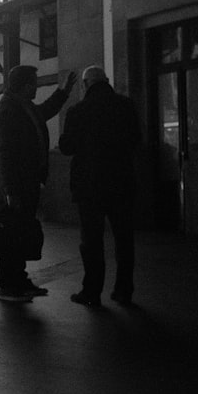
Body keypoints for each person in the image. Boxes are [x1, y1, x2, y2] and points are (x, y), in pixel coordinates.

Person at [0, 65, 77, 302]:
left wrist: (64, 91)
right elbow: (3, 153)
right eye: (34, 83)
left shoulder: (21, 106)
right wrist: (8, 189)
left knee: (18, 233)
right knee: (12, 234)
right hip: (16, 185)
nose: (37, 87)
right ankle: (9, 285)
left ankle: (17, 279)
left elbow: (45, 110)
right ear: (25, 85)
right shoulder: (9, 110)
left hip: (24, 182)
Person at [59, 65, 141, 308]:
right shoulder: (126, 106)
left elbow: (66, 147)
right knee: (124, 239)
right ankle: (124, 290)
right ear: (106, 81)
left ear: (85, 85)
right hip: (121, 182)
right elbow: (136, 139)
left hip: (89, 186)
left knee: (92, 241)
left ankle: (92, 291)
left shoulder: (78, 111)